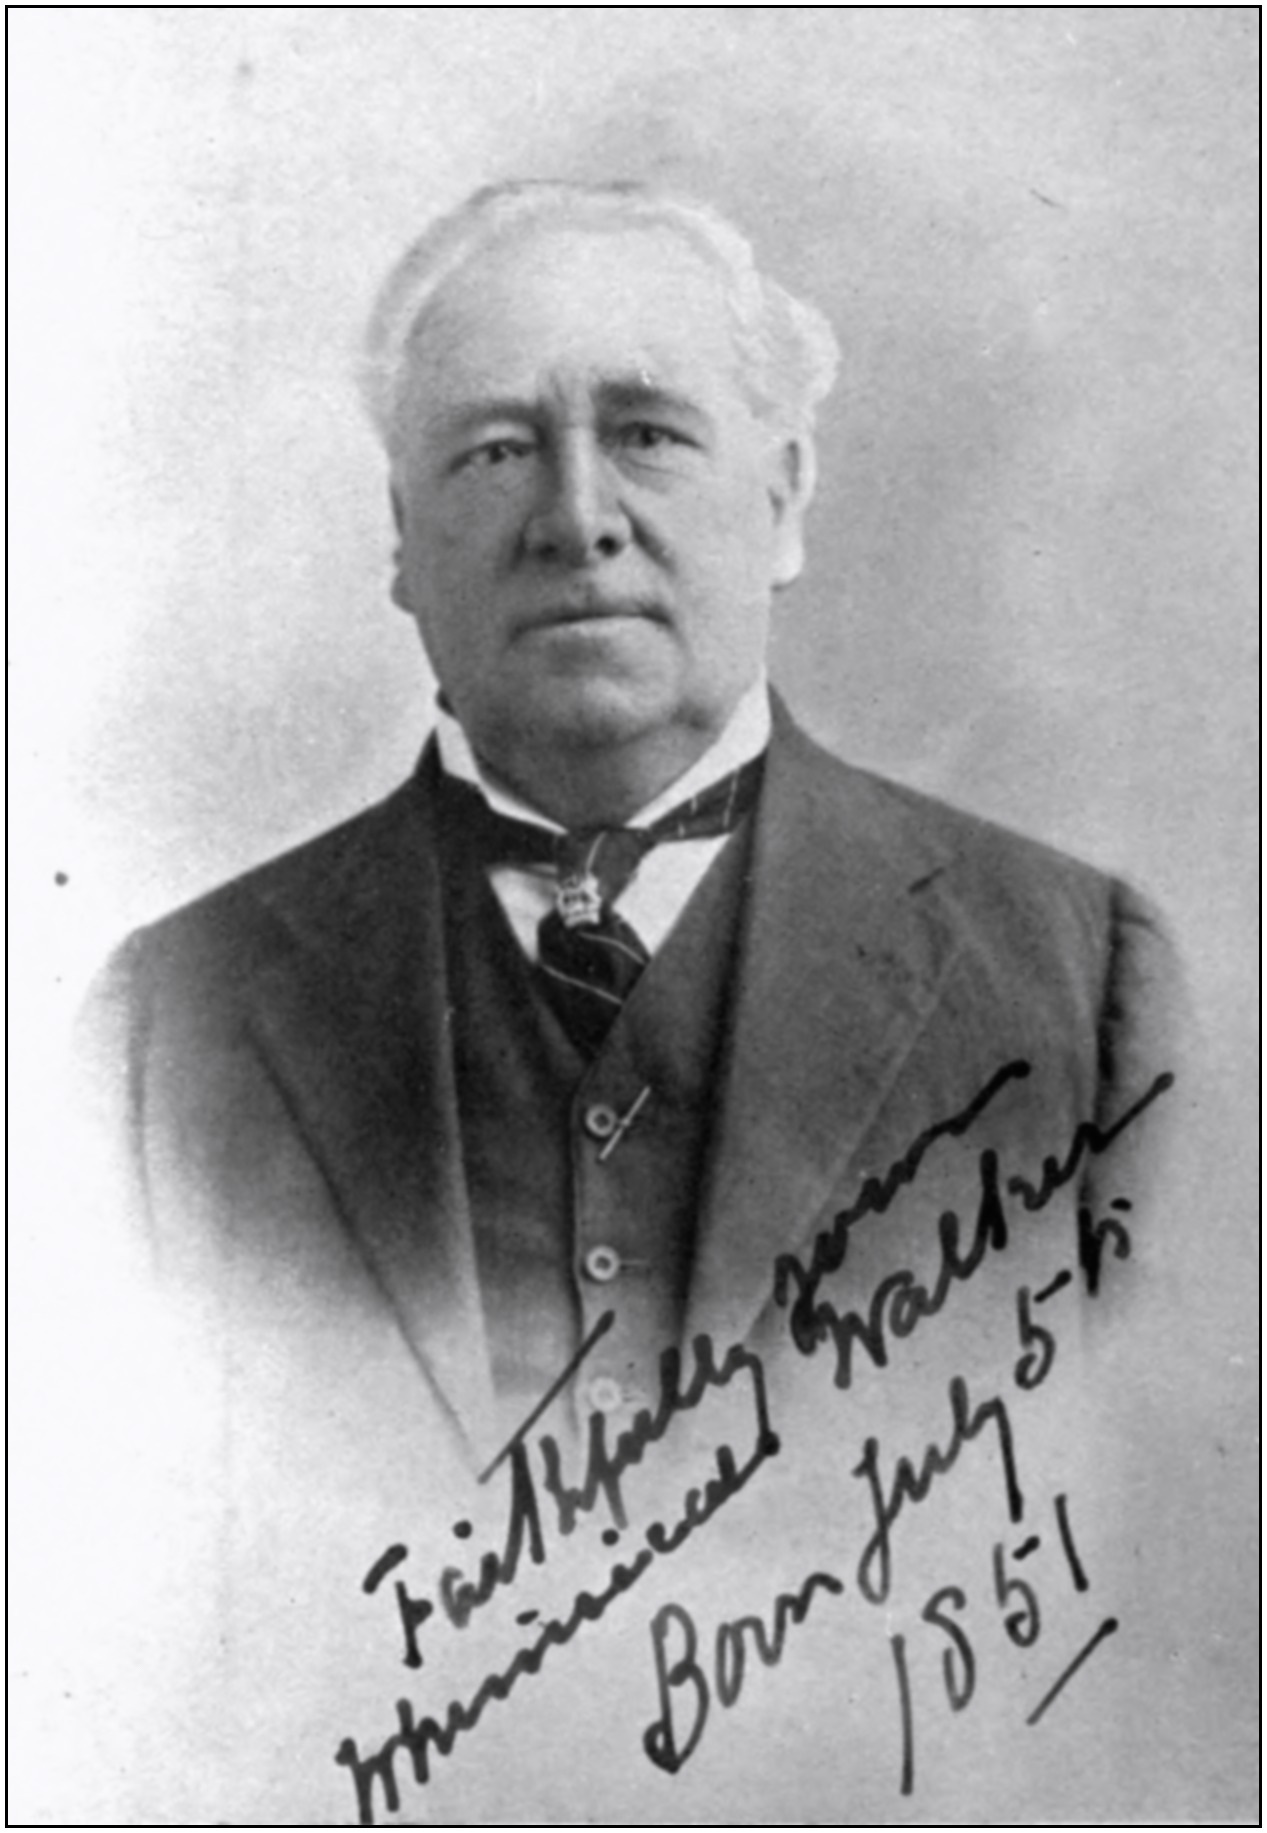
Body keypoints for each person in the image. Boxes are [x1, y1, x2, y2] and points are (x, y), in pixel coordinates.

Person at [83, 181, 1179, 1827]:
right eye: (494, 450)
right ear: (400, 537)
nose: (576, 515)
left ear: (785, 499)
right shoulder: (160, 1030)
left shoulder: (1085, 985)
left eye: (650, 433)